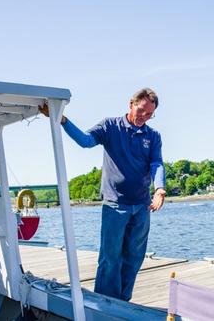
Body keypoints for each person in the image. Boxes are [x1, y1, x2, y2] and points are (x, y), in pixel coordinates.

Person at [39, 88, 166, 301]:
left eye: (149, 114)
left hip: (142, 205)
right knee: (110, 256)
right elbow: (85, 141)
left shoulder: (153, 136)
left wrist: (160, 189)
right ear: (131, 104)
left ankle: (123, 300)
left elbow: (156, 163)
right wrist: (62, 120)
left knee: (134, 256)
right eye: (141, 110)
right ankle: (105, 300)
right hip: (115, 203)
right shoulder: (110, 126)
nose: (143, 117)